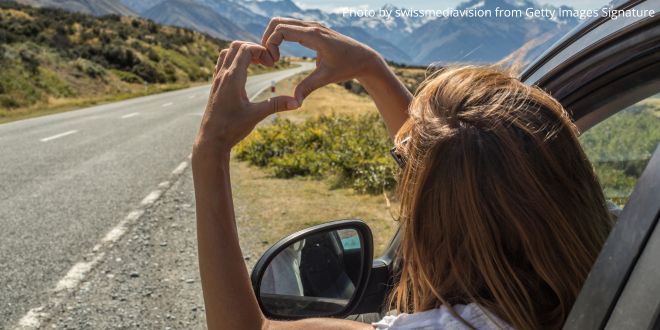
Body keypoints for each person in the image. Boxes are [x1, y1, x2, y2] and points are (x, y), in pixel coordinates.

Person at [191, 17, 613, 330]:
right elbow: (459, 170)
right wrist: (372, 68)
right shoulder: (617, 265)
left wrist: (209, 152)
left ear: (438, 225)